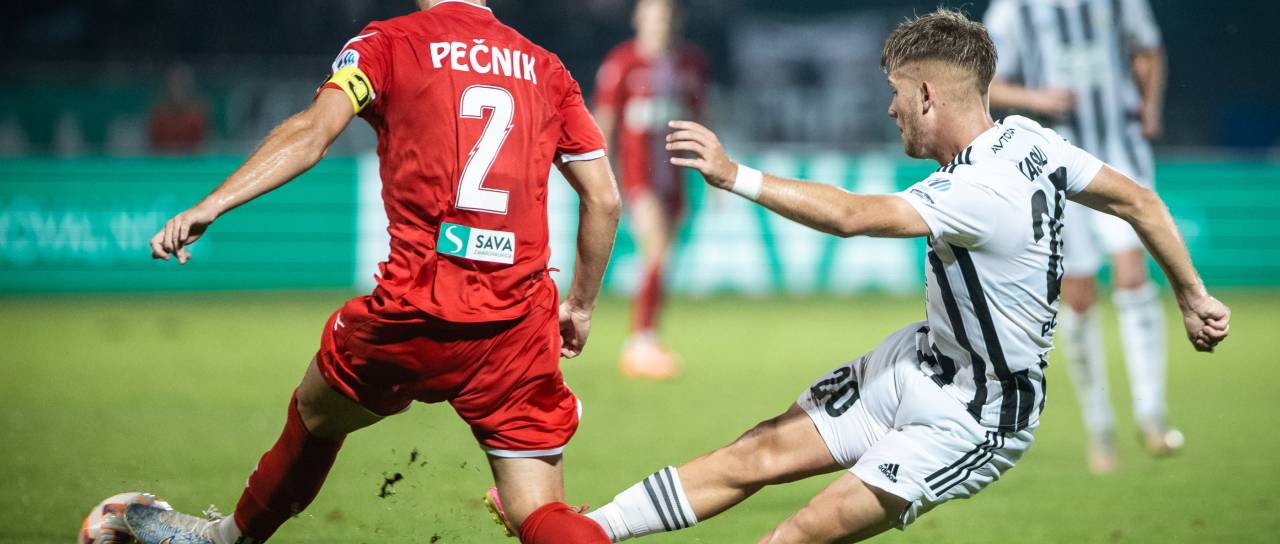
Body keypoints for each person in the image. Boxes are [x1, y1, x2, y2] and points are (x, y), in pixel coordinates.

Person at [579, 9, 1228, 543]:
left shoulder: (976, 190)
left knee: (795, 536)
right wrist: (1192, 295)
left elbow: (851, 216)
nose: (891, 110)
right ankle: (588, 531)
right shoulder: (1030, 139)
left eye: (895, 93)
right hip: (918, 362)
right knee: (756, 453)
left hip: (975, 416)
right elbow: (1140, 200)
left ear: (925, 95)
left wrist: (735, 175)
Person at [107, 1, 621, 543]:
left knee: (315, 414)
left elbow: (313, 133)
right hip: (515, 326)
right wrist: (581, 306)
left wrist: (211, 205)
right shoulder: (545, 67)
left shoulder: (388, 44)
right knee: (538, 511)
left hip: (415, 312)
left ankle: (224, 539)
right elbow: (605, 199)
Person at [983, 0, 1174, 473]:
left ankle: (1152, 414)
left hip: (1120, 149)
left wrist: (1150, 108)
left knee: (1132, 272)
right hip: (1055, 163)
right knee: (1080, 297)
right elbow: (985, 82)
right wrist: (1036, 100)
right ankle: (1100, 428)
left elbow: (1149, 49)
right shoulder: (1013, 10)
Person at [593, 0, 709, 379]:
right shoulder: (622, 63)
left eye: (667, 16)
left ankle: (649, 337)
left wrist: (713, 175)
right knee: (656, 250)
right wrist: (601, 175)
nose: (660, 24)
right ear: (638, 19)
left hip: (675, 177)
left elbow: (701, 118)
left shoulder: (690, 63)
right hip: (637, 177)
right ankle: (639, 343)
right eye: (654, 16)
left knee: (662, 258)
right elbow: (606, 122)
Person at [148, 64, 210, 153]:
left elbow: (203, 146)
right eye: (175, 84)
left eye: (182, 84)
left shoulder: (198, 116)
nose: (178, 89)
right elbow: (152, 147)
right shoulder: (159, 116)